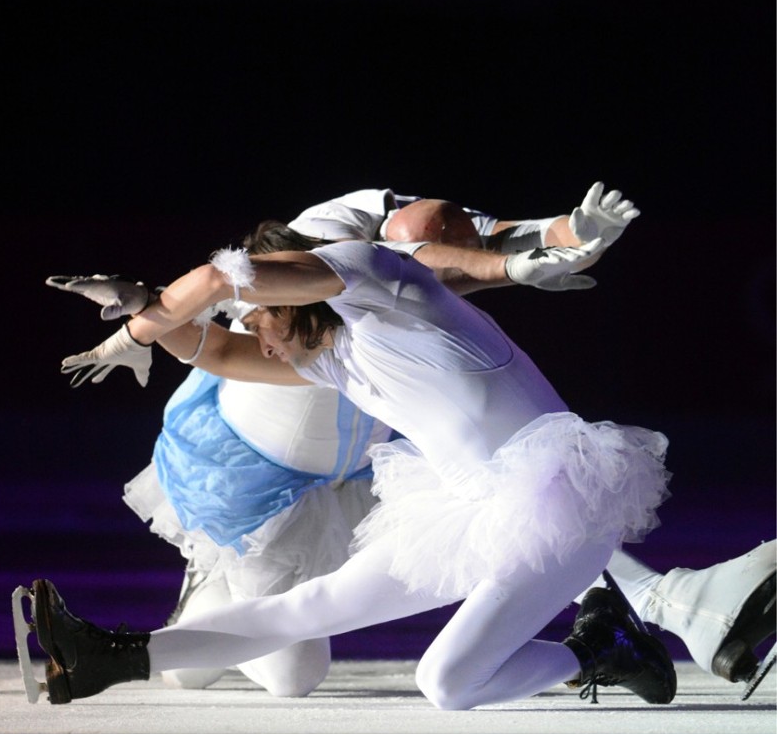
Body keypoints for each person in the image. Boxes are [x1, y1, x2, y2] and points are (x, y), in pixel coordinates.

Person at [48, 185, 775, 695]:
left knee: (447, 682)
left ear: (278, 299)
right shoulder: (326, 357)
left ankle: (598, 648)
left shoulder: (373, 275)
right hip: (462, 512)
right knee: (311, 607)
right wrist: (148, 309)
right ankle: (114, 658)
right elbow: (211, 350)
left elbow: (457, 255)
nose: (252, 336)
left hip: (557, 501)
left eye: (254, 316)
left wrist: (137, 326)